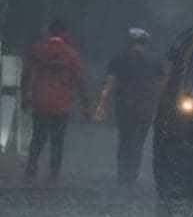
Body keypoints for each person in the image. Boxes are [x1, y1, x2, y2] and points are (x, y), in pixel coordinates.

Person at [21, 18, 91, 184]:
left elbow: (26, 75)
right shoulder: (72, 54)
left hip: (41, 101)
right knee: (57, 140)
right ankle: (54, 174)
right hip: (61, 104)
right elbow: (80, 80)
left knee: (38, 136)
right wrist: (86, 105)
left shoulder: (36, 49)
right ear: (64, 32)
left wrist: (24, 97)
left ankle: (32, 167)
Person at [94, 28, 164, 188]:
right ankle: (132, 176)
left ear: (129, 42)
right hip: (145, 108)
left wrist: (101, 105)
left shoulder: (119, 59)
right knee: (138, 143)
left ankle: (122, 176)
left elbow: (109, 84)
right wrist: (163, 110)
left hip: (125, 107)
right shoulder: (155, 62)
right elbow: (161, 88)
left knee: (125, 140)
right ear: (145, 43)